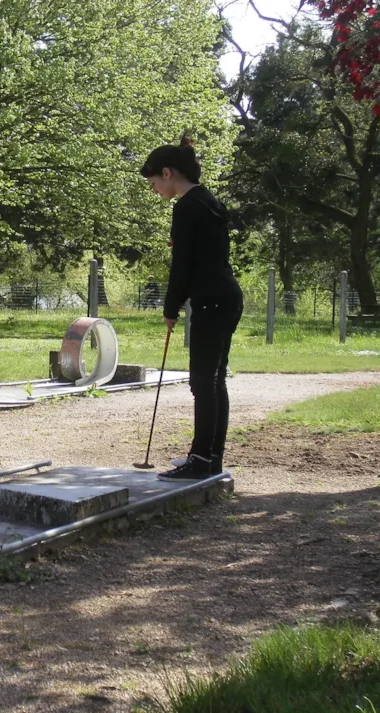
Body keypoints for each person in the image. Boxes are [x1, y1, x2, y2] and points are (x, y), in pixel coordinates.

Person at [139, 135, 243, 481]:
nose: (154, 191)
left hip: (211, 299)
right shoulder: (210, 201)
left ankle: (199, 459)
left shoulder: (185, 207)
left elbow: (181, 265)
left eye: (154, 183)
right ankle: (211, 457)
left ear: (167, 173)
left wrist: (170, 308)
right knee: (215, 380)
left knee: (202, 381)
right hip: (227, 296)